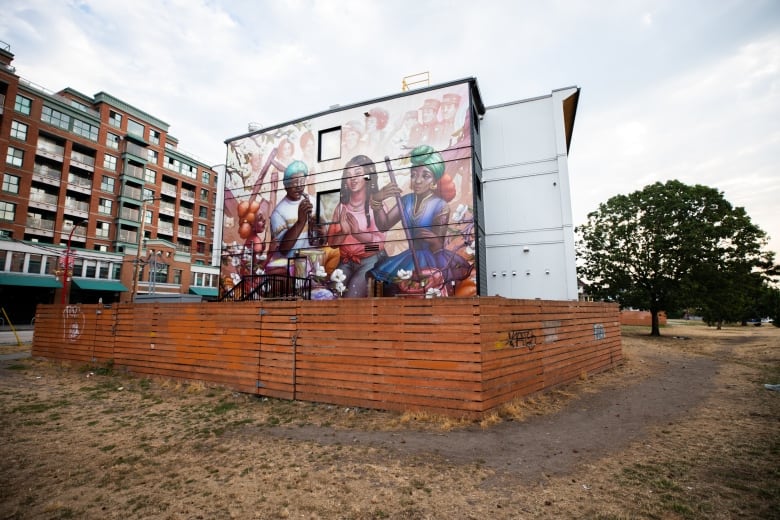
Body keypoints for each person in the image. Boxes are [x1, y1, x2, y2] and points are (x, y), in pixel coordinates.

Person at [368, 145, 470, 295]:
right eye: (413, 175)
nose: (417, 180)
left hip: (433, 259)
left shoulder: (441, 206)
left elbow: (438, 246)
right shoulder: (406, 201)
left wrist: (433, 239)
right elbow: (383, 225)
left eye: (425, 176)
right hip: (409, 256)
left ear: (434, 181)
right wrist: (377, 199)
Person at [328, 155, 386, 297]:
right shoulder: (341, 207)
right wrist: (343, 233)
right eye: (348, 176)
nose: (352, 179)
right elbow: (332, 243)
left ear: (367, 177)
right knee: (330, 296)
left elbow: (379, 245)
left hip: (369, 262)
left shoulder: (376, 206)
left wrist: (357, 234)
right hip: (345, 262)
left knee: (351, 297)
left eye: (358, 174)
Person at [264, 161, 320, 274]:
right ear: (286, 184)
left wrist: (318, 227)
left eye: (302, 181)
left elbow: (321, 241)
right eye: (294, 182)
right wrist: (300, 222)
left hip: (311, 266)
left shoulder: (314, 202)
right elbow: (284, 249)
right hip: (288, 269)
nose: (299, 185)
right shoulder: (278, 213)